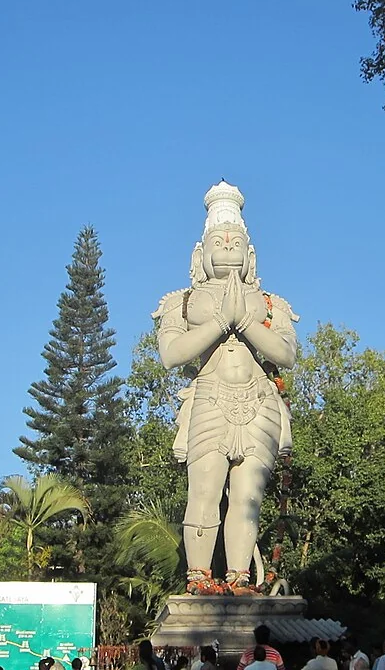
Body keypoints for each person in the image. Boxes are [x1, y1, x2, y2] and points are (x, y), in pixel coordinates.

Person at [154, 182, 299, 588]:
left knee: (247, 500)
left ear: (251, 255)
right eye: (220, 240)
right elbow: (171, 354)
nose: (229, 245)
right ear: (200, 254)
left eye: (237, 241)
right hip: (210, 399)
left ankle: (239, 578)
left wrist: (247, 322)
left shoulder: (272, 304)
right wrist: (221, 322)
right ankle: (198, 575)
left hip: (259, 404)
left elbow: (286, 354)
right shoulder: (181, 302)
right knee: (203, 492)